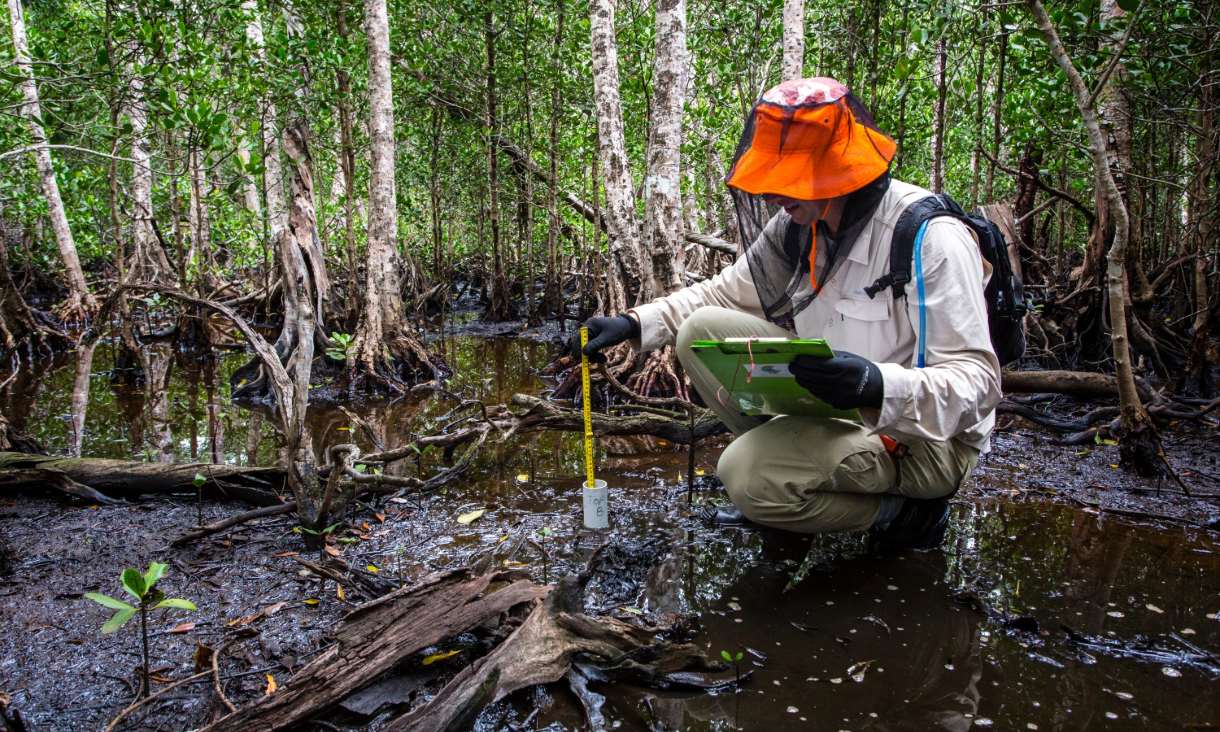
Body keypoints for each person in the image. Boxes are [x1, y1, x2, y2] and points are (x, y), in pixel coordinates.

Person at [572, 77, 1001, 550]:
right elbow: (722, 294)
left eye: (792, 177)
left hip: (924, 442)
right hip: (836, 408)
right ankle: (791, 481)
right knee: (697, 331)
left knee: (745, 472)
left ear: (838, 169)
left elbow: (978, 385)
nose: (775, 193)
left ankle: (901, 514)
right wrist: (634, 322)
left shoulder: (930, 238)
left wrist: (877, 385)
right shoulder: (799, 226)